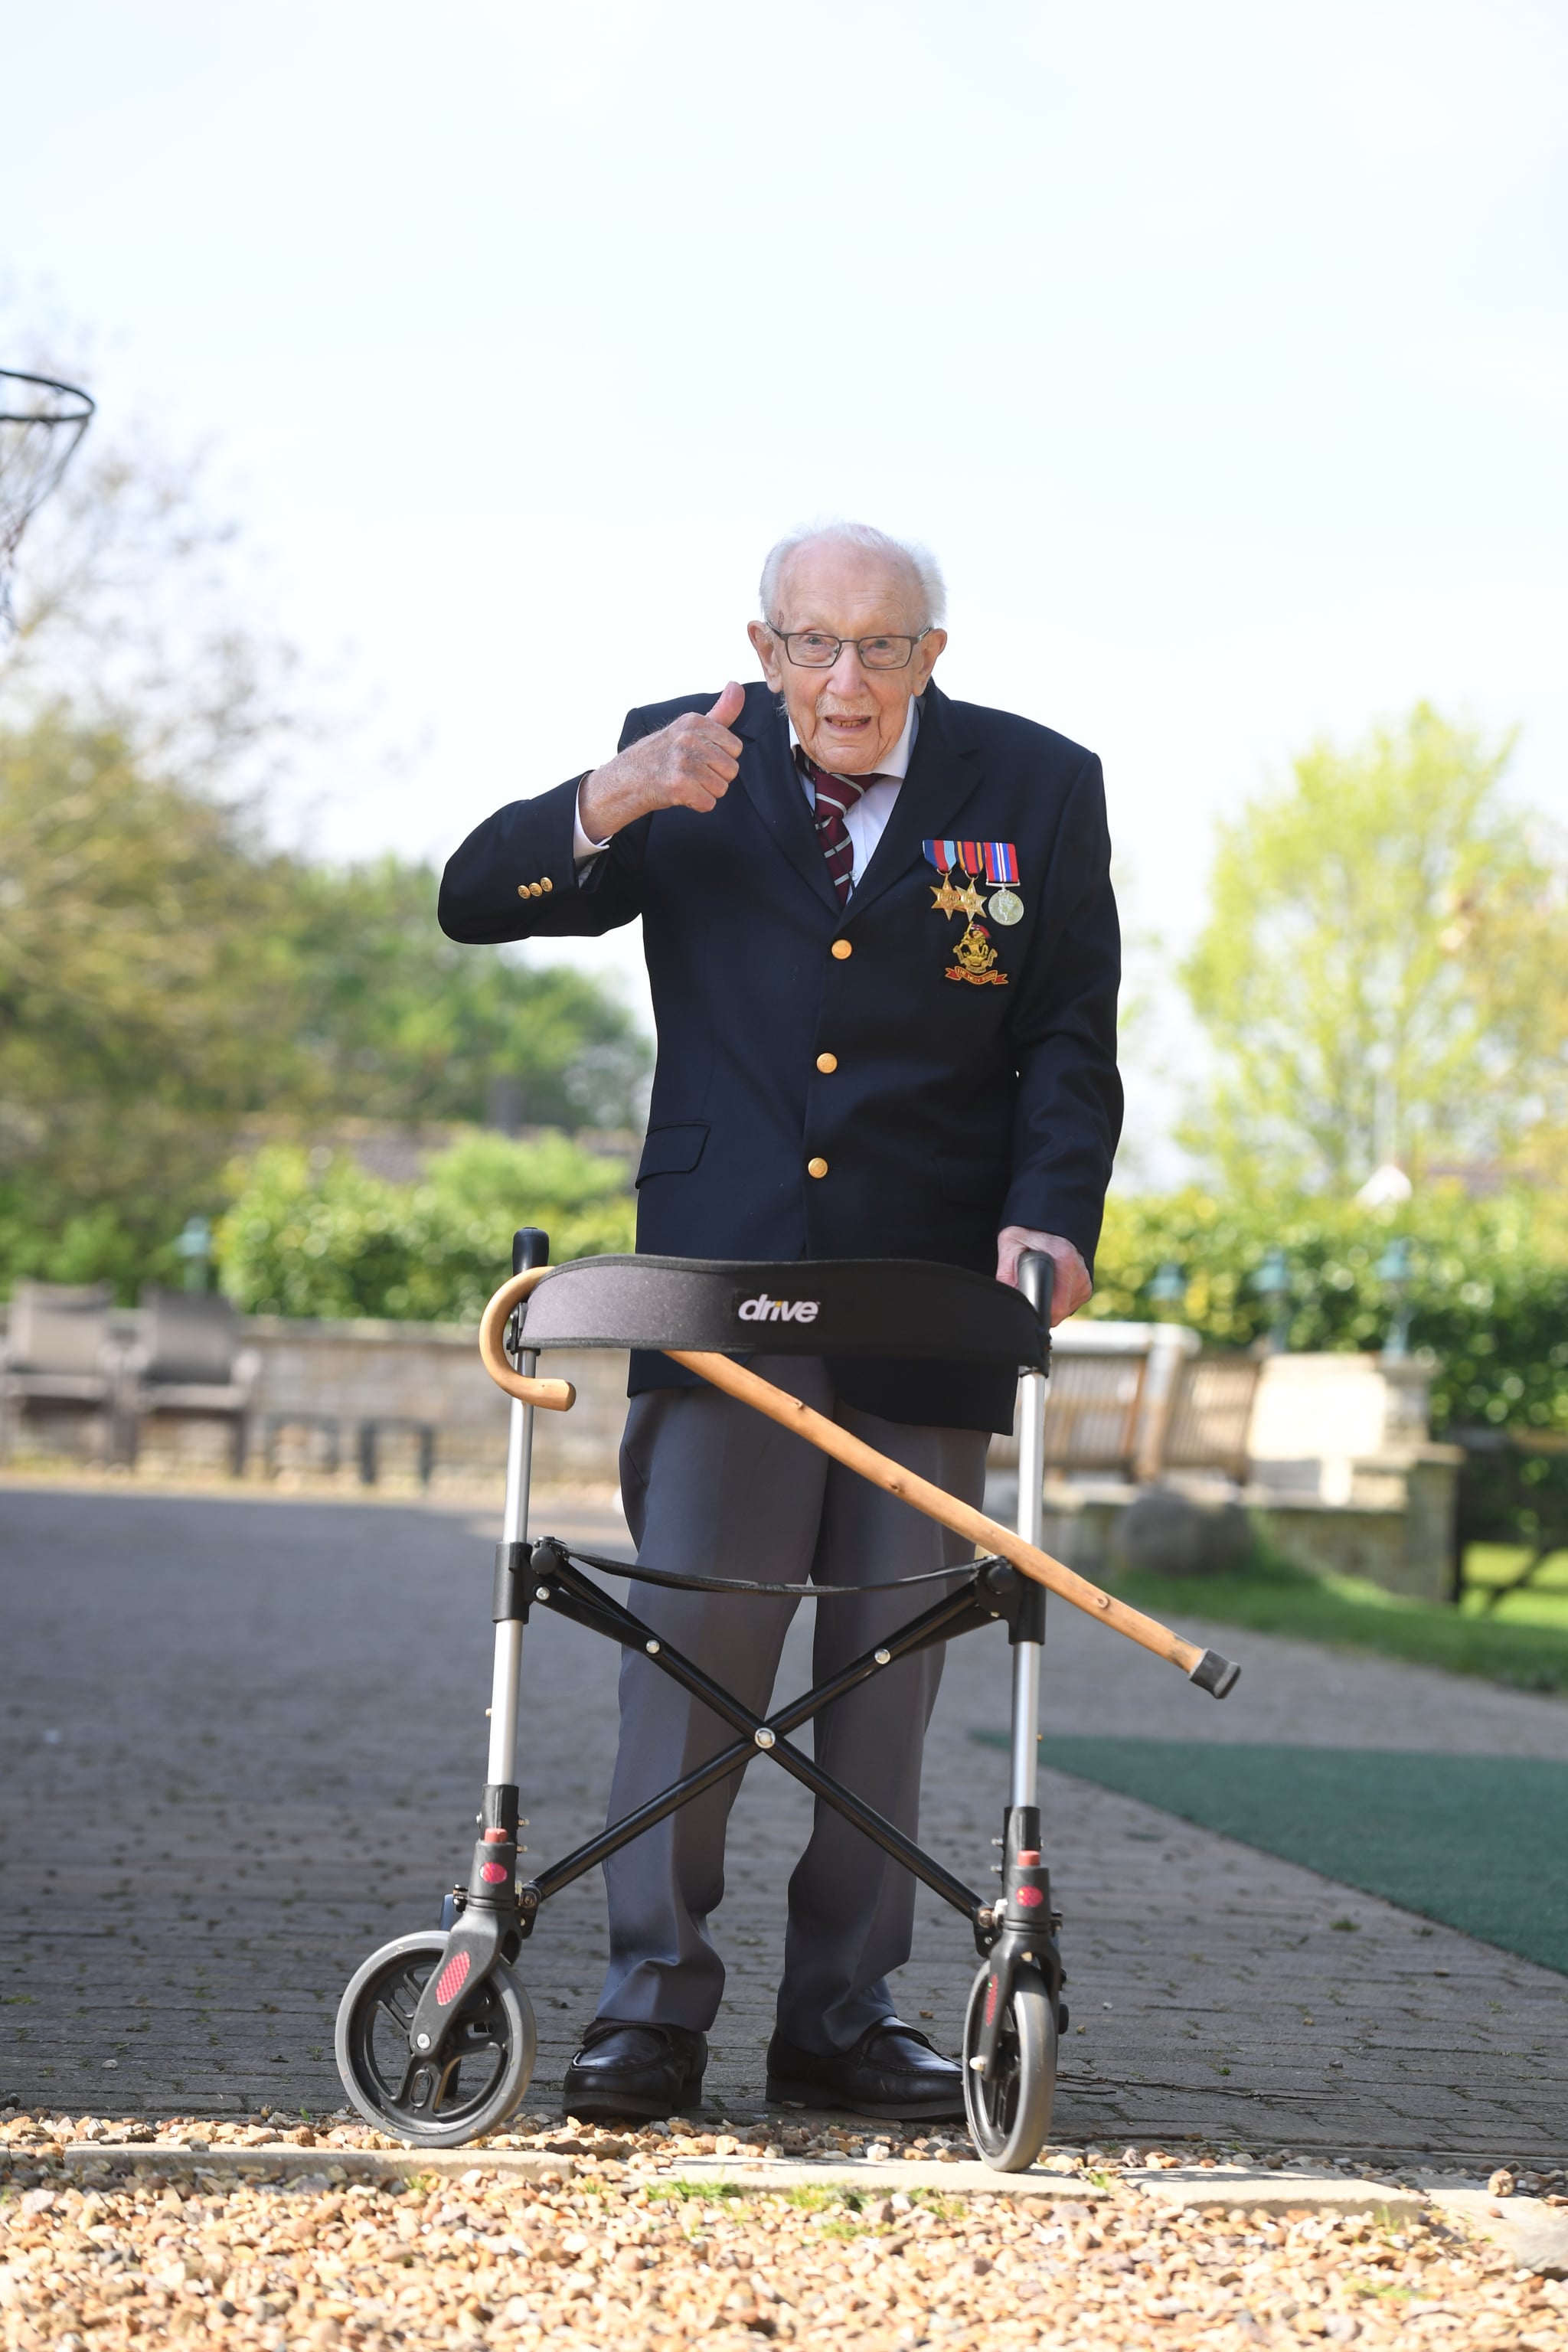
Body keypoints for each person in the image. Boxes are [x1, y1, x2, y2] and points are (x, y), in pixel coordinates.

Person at [439, 522, 1122, 2122]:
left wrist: (1054, 1216)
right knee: (697, 1652)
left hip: (929, 1300)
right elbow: (476, 898)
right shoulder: (687, 753)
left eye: (882, 647)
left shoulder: (1036, 786)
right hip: (719, 1288)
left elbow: (1070, 1041)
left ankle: (840, 2016)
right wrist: (614, 799)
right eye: (812, 644)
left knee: (885, 1671)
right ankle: (647, 2007)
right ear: (763, 647)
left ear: (931, 657)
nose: (844, 679)